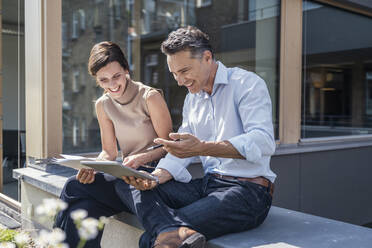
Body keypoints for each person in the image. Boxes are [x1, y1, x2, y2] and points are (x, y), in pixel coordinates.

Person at [116, 26, 277, 248]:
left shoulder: (247, 84)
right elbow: (183, 148)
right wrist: (157, 176)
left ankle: (164, 231)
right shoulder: (192, 99)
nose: (180, 81)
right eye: (174, 74)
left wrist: (202, 148)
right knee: (128, 182)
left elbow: (263, 141)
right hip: (206, 186)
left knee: (154, 239)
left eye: (184, 71)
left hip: (248, 192)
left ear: (207, 58)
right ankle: (166, 229)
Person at [54, 41, 173, 248]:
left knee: (72, 185)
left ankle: (53, 237)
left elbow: (170, 147)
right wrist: (93, 168)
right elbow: (108, 152)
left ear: (126, 69)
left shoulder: (150, 97)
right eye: (104, 80)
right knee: (82, 210)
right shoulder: (103, 104)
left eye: (117, 76)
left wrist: (142, 158)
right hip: (124, 176)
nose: (112, 85)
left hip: (151, 178)